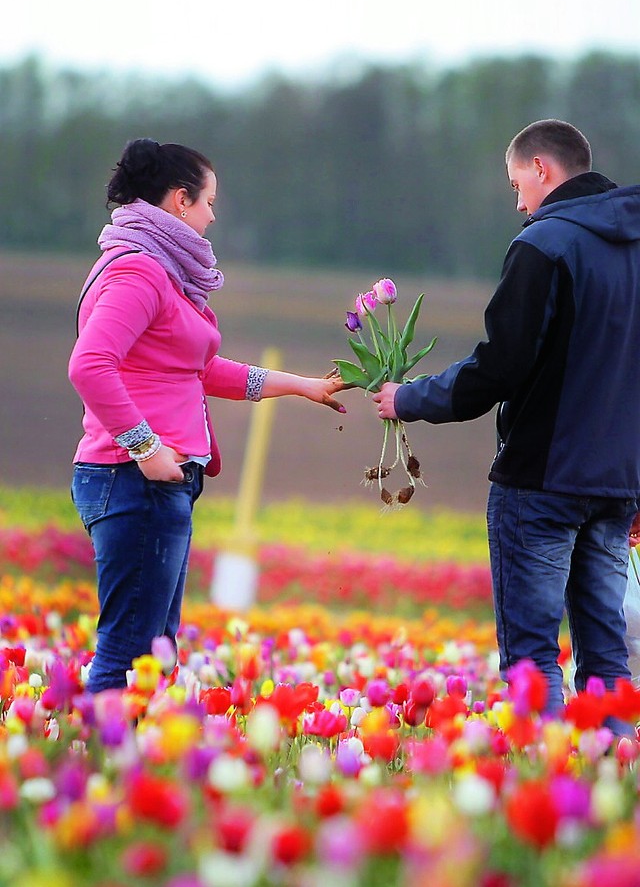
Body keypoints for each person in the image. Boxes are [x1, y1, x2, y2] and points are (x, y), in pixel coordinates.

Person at [373, 119, 640, 732]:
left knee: (532, 656)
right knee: (606, 656)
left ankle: (538, 780)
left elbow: (500, 367)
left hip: (544, 479)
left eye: (517, 182)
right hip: (616, 485)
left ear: (542, 169)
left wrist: (409, 399)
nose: (518, 200)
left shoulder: (545, 244)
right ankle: (612, 778)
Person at [69, 138, 346, 694]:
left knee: (154, 652)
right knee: (131, 653)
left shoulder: (157, 272)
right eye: (210, 203)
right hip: (136, 479)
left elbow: (199, 368)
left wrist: (302, 387)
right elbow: (90, 365)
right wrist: (146, 449)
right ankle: (100, 763)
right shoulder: (140, 273)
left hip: (154, 480)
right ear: (179, 201)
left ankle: (120, 763)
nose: (213, 216)